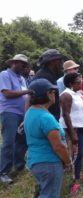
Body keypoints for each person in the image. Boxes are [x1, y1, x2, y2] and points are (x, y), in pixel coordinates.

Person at [24, 79, 71, 198]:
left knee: (45, 191)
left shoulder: (30, 112)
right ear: (46, 94)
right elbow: (58, 146)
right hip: (49, 163)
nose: (55, 94)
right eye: (52, 91)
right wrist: (68, 161)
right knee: (50, 195)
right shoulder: (46, 117)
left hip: (36, 161)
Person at [0, 54, 31, 184]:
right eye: (22, 64)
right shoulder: (4, 75)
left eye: (25, 65)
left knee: (22, 140)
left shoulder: (21, 78)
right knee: (9, 142)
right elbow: (7, 93)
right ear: (14, 63)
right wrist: (27, 92)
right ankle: (3, 171)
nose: (24, 67)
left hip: (21, 113)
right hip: (9, 112)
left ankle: (19, 165)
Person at [59, 73, 83, 194]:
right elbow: (66, 114)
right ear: (70, 84)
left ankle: (77, 175)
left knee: (79, 153)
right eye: (78, 82)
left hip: (82, 127)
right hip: (75, 128)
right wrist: (72, 133)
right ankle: (74, 179)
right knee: (76, 154)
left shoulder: (77, 93)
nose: (81, 83)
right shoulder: (66, 95)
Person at [32, 49, 65, 121]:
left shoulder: (50, 75)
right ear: (52, 61)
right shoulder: (42, 77)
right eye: (59, 60)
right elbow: (38, 102)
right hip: (45, 120)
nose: (62, 63)